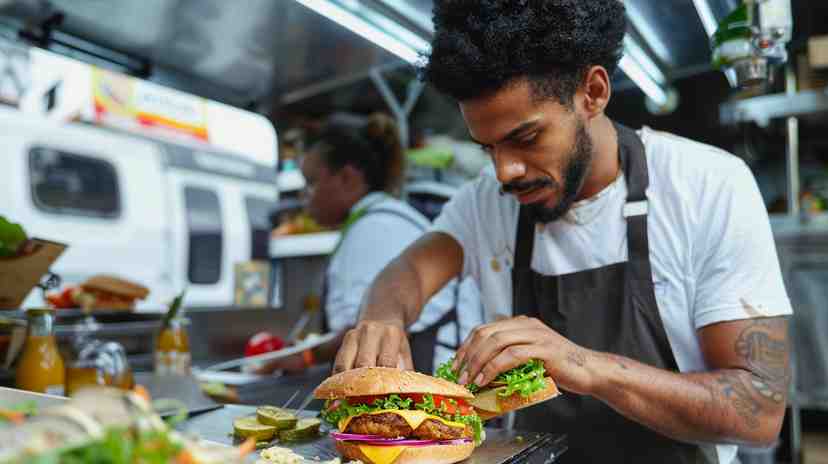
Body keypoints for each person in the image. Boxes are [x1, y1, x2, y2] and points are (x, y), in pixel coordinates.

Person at [331, 1, 792, 463]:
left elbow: (760, 412)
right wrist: (383, 318)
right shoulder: (485, 202)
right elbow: (409, 270)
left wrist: (584, 365)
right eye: (488, 147)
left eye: (526, 138)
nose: (506, 171)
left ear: (592, 92)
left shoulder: (707, 186)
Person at [258, 113, 482, 375]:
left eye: (311, 183)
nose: (305, 197)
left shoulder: (376, 228)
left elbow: (367, 334)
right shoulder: (377, 219)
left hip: (427, 376)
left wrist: (306, 355)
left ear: (347, 177)